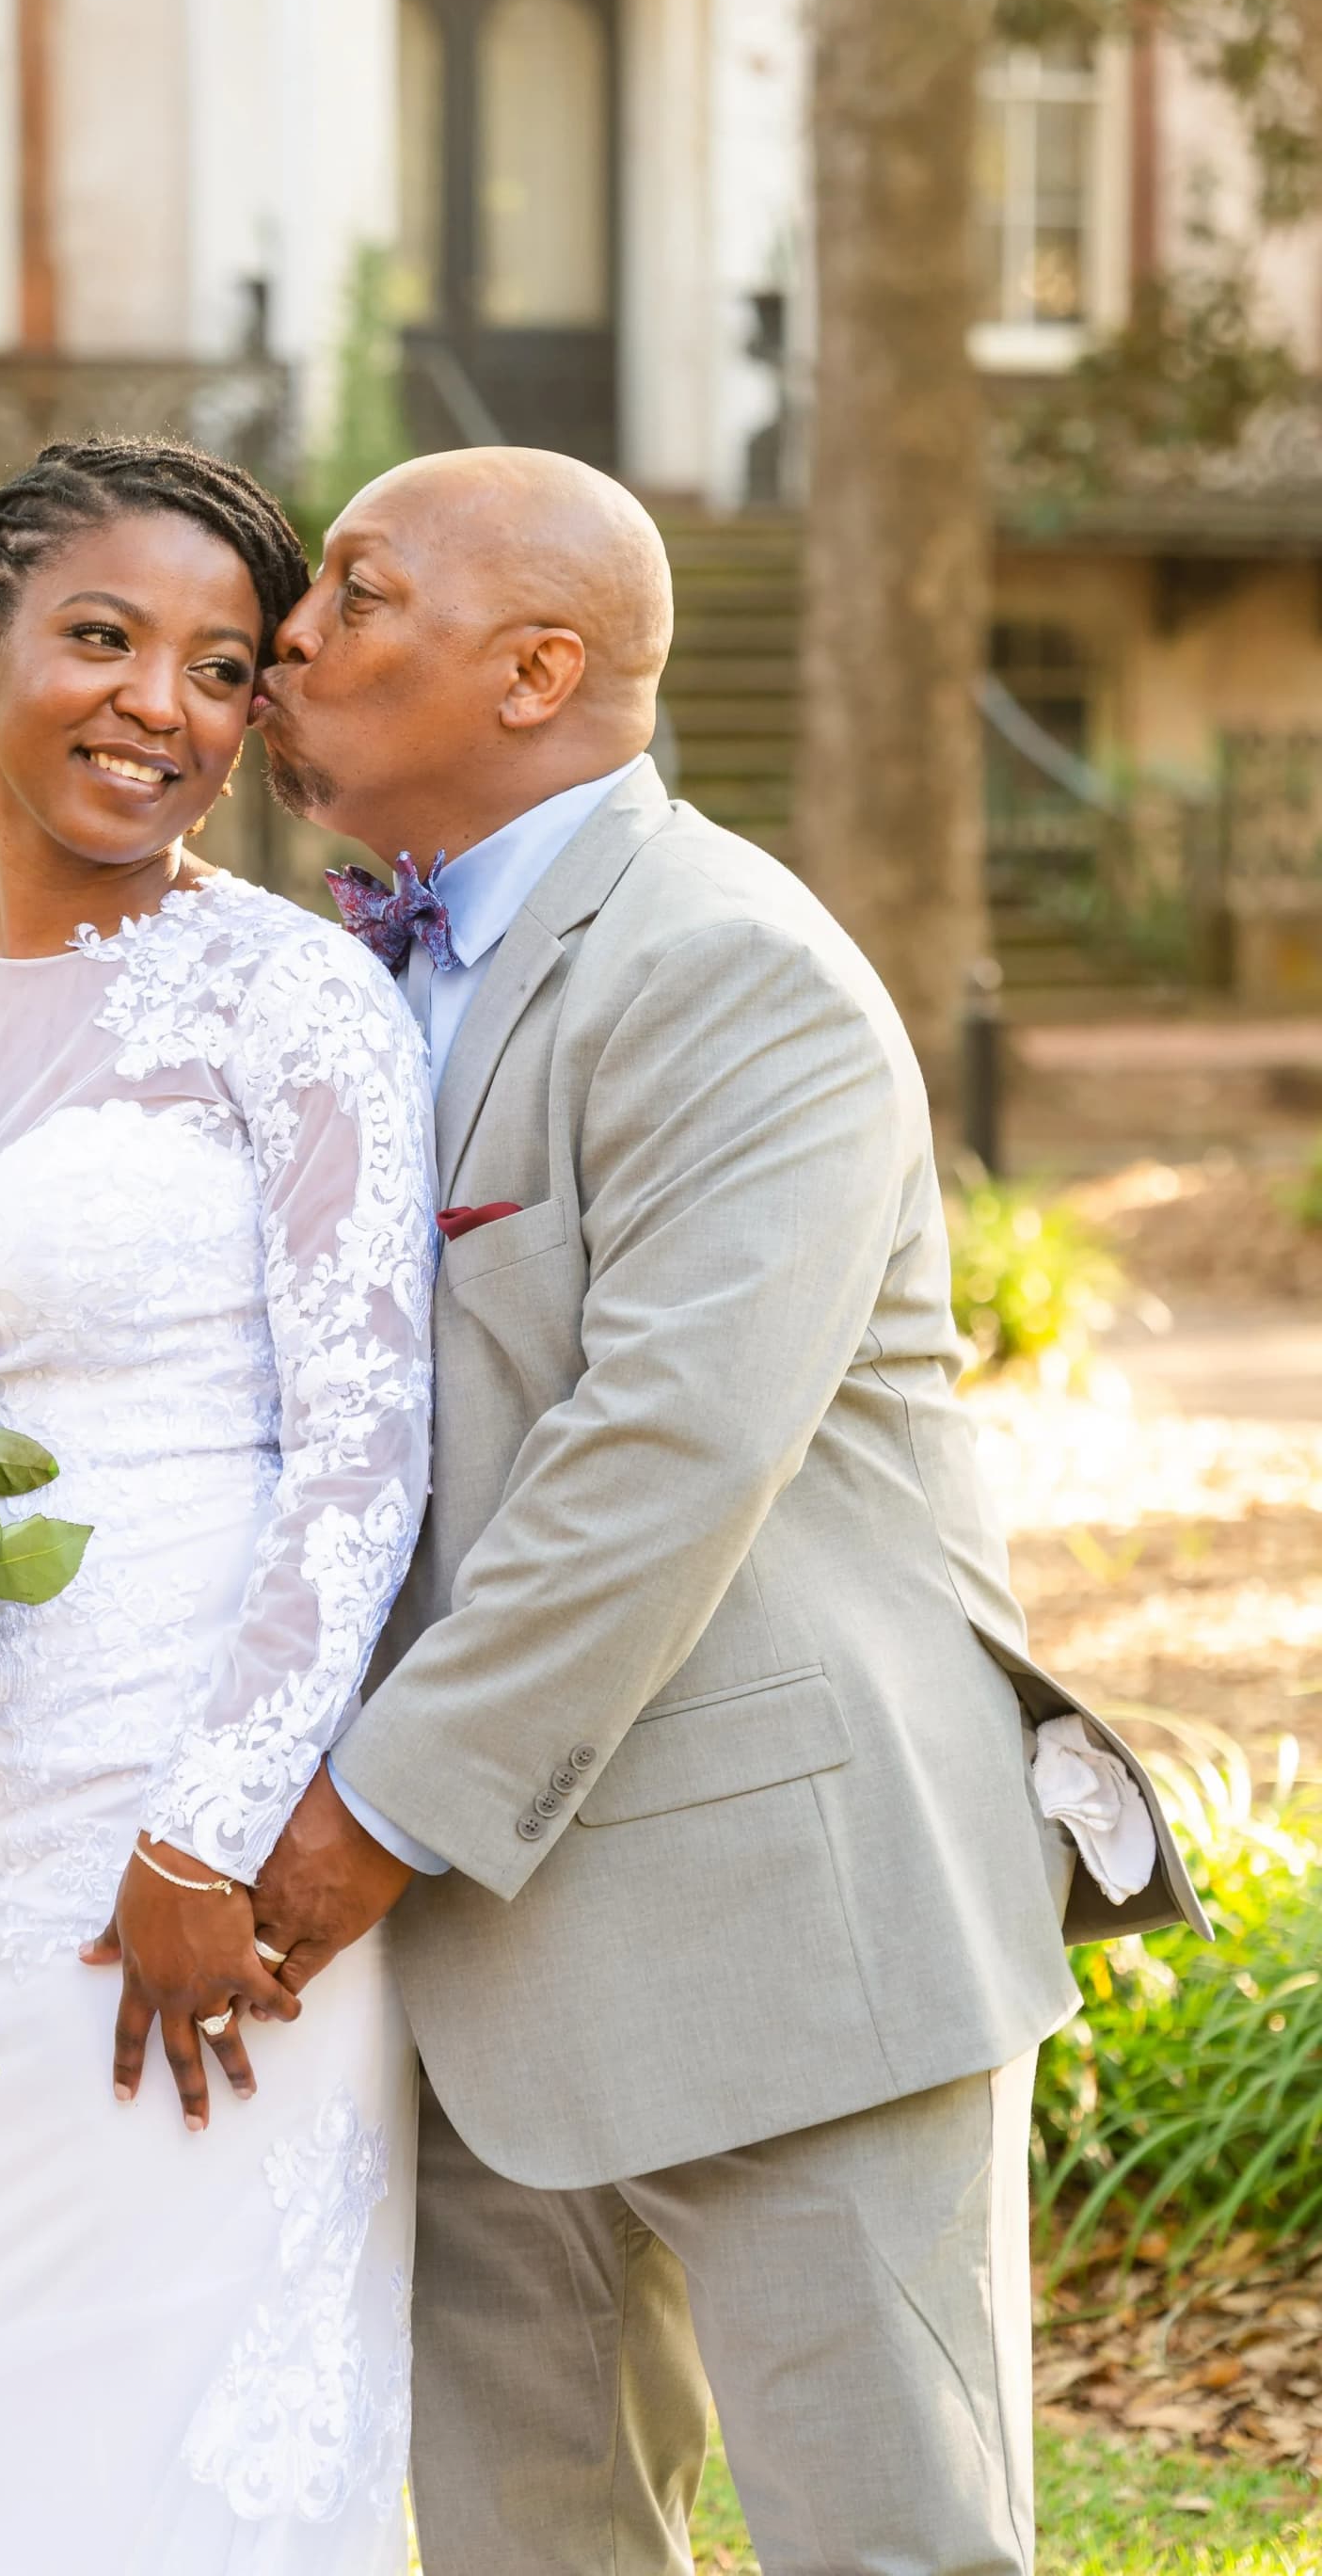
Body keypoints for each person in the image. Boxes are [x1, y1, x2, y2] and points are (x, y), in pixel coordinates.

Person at [219, 445, 1208, 2576]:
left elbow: (661, 1457)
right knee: (527, 2550)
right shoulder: (331, 985)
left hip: (788, 1927)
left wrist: (360, 1823)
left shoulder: (729, 966)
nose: (289, 629)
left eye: (359, 593)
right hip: (468, 1968)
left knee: (890, 2549)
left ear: (535, 668)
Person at [0, 436, 434, 2575]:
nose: (162, 704)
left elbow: (364, 1453)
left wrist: (203, 1838)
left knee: (184, 2470)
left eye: (224, 670)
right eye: (107, 638)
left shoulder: (294, 1001)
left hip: (181, 1875)